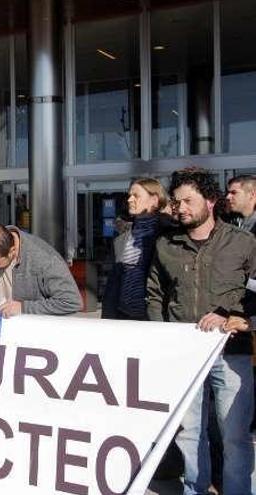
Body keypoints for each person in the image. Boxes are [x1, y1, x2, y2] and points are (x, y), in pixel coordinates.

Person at [146, 167, 255, 495]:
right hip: (185, 354)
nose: (180, 208)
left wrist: (243, 319)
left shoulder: (243, 242)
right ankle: (196, 489)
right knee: (190, 432)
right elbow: (154, 293)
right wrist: (163, 335)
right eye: (177, 202)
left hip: (231, 352)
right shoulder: (166, 244)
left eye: (188, 200)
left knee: (234, 435)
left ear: (210, 201)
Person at [0, 225, 81, 317]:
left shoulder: (45, 260)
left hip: (32, 334)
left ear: (12, 251)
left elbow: (71, 301)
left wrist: (22, 307)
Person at [101, 178, 169, 320]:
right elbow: (115, 280)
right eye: (129, 195)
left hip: (153, 317)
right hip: (123, 316)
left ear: (154, 200)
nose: (130, 200)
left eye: (136, 196)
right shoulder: (123, 234)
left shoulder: (168, 233)